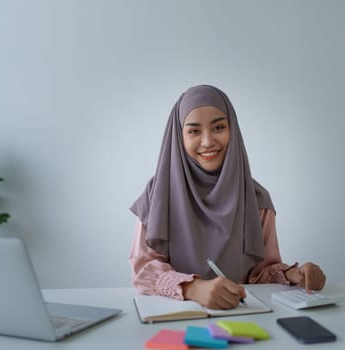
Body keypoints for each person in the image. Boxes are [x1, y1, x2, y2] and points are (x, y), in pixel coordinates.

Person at [129, 84, 325, 310]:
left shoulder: (256, 198)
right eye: (194, 131)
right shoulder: (158, 194)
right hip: (175, 315)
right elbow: (143, 270)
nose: (208, 141)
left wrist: (293, 275)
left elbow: (260, 273)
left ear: (233, 130)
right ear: (178, 137)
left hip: (240, 315)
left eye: (219, 127)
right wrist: (192, 288)